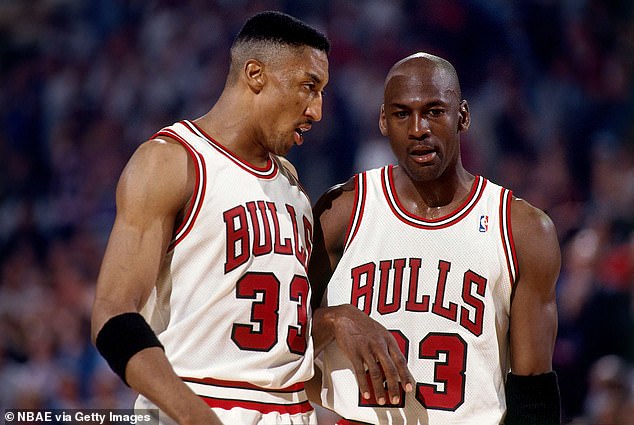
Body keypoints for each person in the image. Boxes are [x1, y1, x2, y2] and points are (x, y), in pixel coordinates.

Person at [90, 11, 330, 425]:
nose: (317, 110)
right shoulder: (171, 160)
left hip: (290, 412)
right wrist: (197, 418)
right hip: (199, 405)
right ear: (255, 74)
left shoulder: (292, 185)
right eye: (309, 87)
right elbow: (112, 315)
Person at [308, 52, 561, 424]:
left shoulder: (521, 229)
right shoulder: (342, 212)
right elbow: (282, 338)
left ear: (462, 116)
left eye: (434, 112)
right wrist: (334, 320)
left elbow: (533, 393)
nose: (417, 129)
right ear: (382, 120)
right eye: (401, 114)